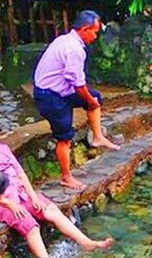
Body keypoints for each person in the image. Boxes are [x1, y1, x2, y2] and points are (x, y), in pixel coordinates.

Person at [0, 112, 114, 258]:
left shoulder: (3, 149)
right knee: (30, 225)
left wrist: (33, 196)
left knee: (49, 208)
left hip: (20, 194)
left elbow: (21, 174)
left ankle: (86, 242)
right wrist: (10, 204)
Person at [33, 10, 120, 191]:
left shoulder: (65, 39)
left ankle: (97, 137)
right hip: (49, 96)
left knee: (95, 97)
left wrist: (91, 100)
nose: (95, 37)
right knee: (65, 137)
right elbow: (78, 84)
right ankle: (66, 177)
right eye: (94, 32)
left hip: (60, 90)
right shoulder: (74, 49)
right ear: (85, 29)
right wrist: (89, 100)